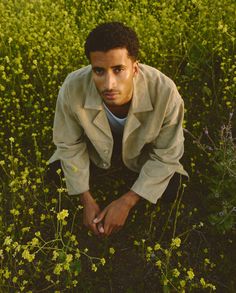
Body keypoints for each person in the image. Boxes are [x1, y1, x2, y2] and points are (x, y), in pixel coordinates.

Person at [48, 22, 188, 238]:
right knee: (56, 171)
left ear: (134, 68)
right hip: (95, 152)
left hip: (142, 155)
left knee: (174, 187)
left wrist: (126, 201)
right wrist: (85, 199)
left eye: (118, 70)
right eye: (99, 71)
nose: (109, 84)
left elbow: (166, 156)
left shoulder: (165, 91)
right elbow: (69, 144)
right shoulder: (72, 87)